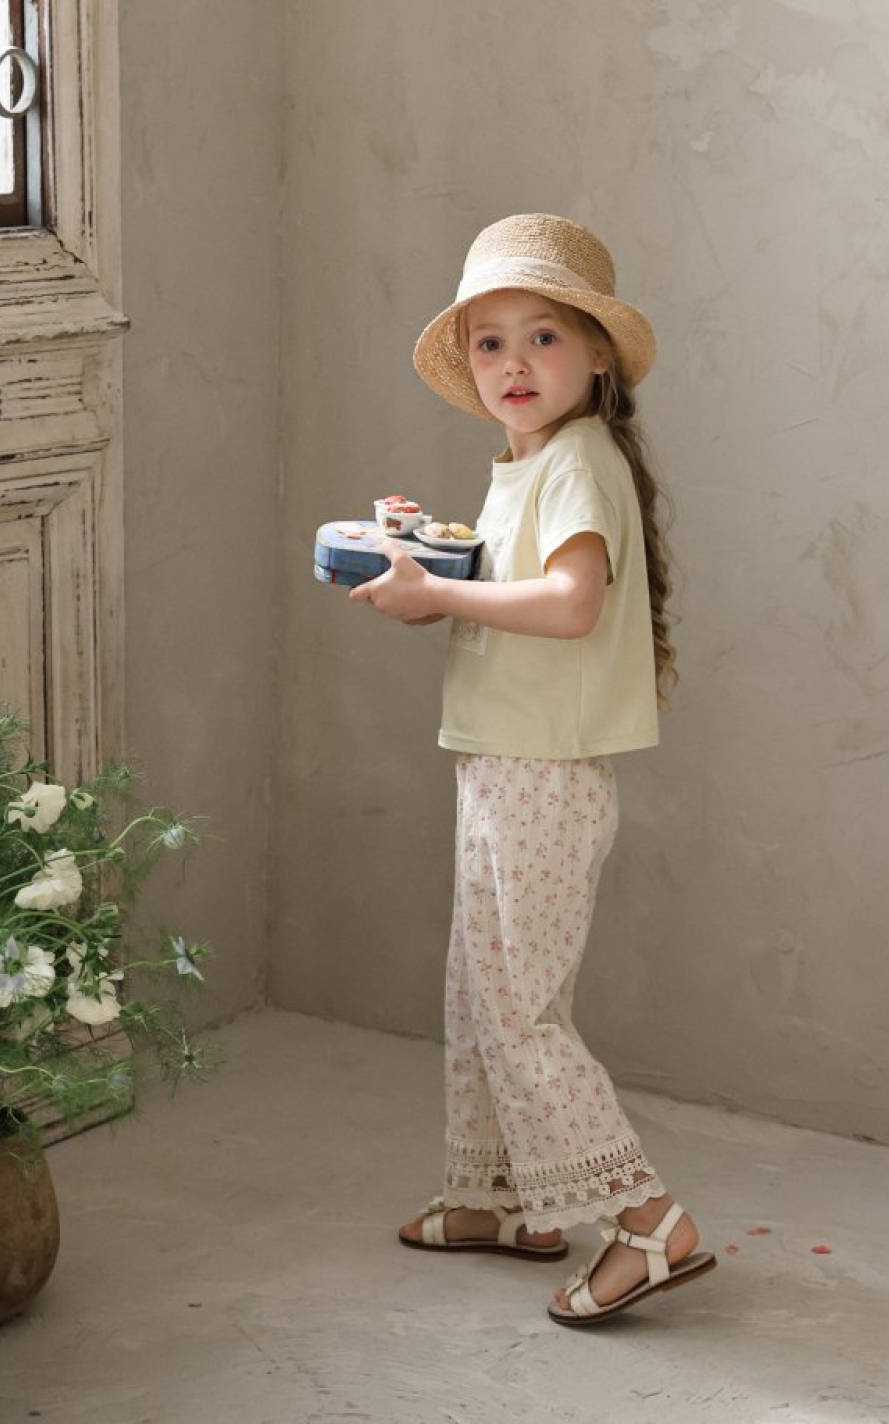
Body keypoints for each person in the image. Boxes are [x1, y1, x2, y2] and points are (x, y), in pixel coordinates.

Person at [349, 213, 715, 1325]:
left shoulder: (580, 461)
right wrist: (427, 565)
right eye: (491, 342)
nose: (514, 363)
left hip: (543, 774)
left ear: (597, 355)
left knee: (521, 1008)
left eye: (543, 336)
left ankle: (649, 1221)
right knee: (482, 986)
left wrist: (437, 592)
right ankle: (502, 1198)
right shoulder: (528, 465)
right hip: (502, 760)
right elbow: (506, 586)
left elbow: (569, 604)